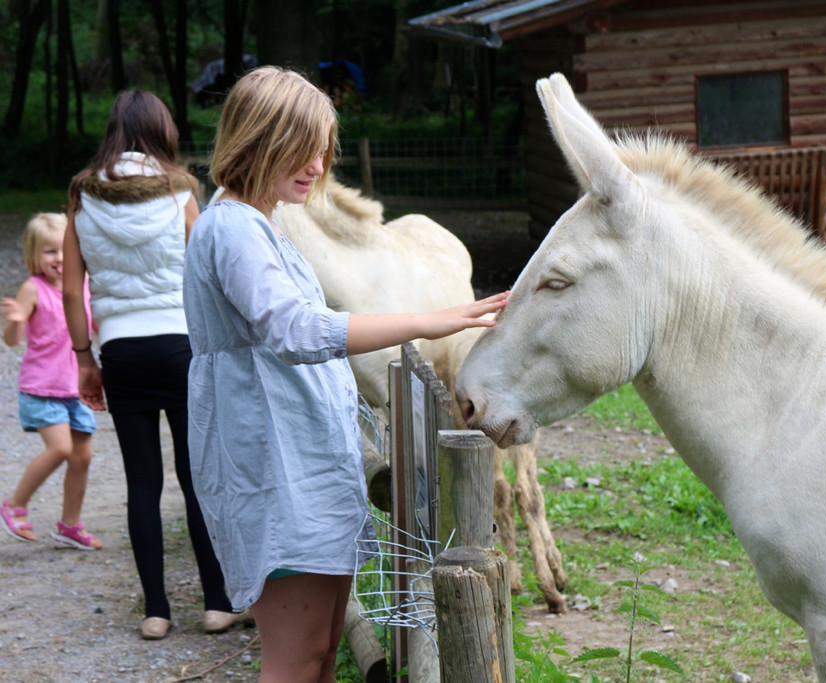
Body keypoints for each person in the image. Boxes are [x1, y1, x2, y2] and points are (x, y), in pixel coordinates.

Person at [183, 65, 508, 683]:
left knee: (324, 647)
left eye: (324, 150)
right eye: (303, 149)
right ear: (258, 140)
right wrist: (427, 321)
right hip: (277, 471)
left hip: (298, 466)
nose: (318, 165)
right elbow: (296, 329)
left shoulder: (257, 222)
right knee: (296, 659)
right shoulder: (234, 229)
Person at [62, 90, 240, 641]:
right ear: (162, 130)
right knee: (196, 478)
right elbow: (206, 272)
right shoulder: (181, 190)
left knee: (142, 482)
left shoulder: (81, 194)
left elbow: (72, 289)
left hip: (120, 350)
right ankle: (216, 603)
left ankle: (156, 611)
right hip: (180, 347)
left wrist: (84, 358)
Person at [1, 213, 102, 550]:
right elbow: (12, 340)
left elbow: (98, 326)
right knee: (60, 448)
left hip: (76, 388)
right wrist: (15, 321)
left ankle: (70, 525)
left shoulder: (85, 287)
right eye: (48, 252)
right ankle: (14, 504)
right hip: (42, 388)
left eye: (63, 250)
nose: (58, 258)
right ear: (33, 255)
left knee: (82, 457)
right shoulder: (33, 289)